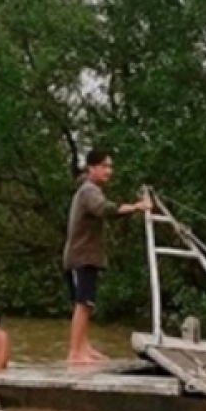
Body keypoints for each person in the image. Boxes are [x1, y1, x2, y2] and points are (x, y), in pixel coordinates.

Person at [62, 148, 151, 365]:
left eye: (110, 166)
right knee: (82, 303)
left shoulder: (92, 190)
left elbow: (106, 211)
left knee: (87, 303)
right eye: (104, 166)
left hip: (88, 257)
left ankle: (84, 346)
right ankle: (75, 352)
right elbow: (104, 209)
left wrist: (134, 208)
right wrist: (137, 207)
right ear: (91, 168)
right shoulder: (89, 190)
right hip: (80, 257)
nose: (109, 171)